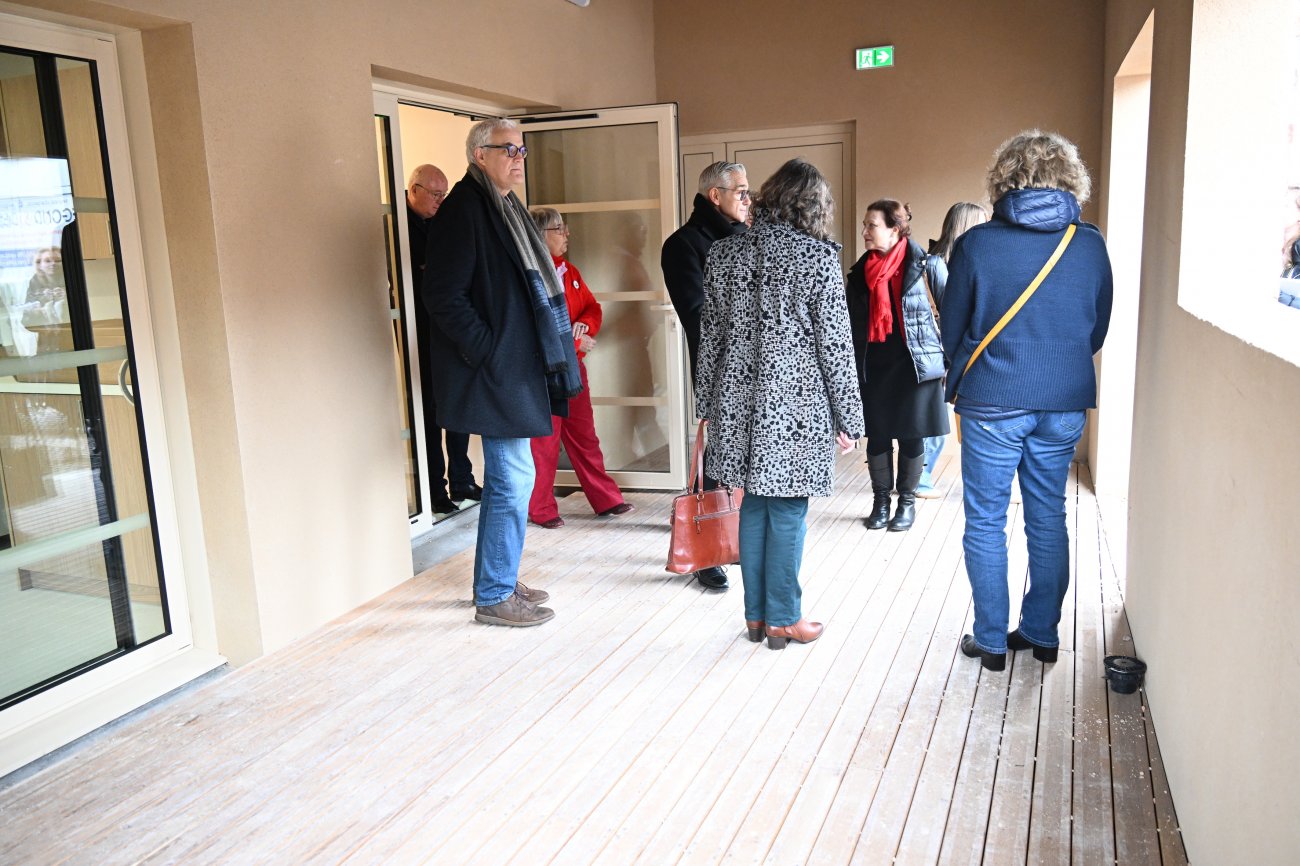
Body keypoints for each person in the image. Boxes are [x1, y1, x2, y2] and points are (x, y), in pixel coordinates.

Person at [941, 129, 1113, 670]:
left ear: (1004, 178)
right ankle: (1041, 634)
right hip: (1062, 401)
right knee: (1047, 517)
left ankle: (991, 641)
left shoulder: (977, 245)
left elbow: (953, 329)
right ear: (1070, 178)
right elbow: (1096, 328)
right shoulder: (1089, 244)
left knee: (986, 521)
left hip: (992, 400)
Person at [696, 158, 863, 650]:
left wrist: (705, 403)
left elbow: (710, 338)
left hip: (736, 401)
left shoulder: (723, 254)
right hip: (796, 406)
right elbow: (836, 345)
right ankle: (784, 618)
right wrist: (850, 417)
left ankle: (756, 616)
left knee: (752, 505)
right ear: (813, 206)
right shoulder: (817, 257)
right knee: (787, 510)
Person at [424, 119, 583, 627]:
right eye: (508, 149)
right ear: (479, 154)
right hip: (496, 370)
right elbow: (443, 297)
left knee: (509, 480)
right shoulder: (464, 210)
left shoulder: (503, 206)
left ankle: (499, 578)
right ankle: (494, 593)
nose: (518, 158)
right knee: (513, 480)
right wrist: (490, 351)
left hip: (513, 367)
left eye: (521, 150)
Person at [661, 161, 750, 591]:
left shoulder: (748, 238)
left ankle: (739, 538)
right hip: (718, 369)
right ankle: (705, 549)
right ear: (716, 196)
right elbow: (697, 316)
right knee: (714, 457)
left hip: (759, 367)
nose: (748, 200)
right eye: (741, 192)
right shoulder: (683, 245)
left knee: (749, 456)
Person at [526, 206, 634, 528]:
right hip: (545, 373)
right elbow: (535, 330)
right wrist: (575, 344)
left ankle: (606, 499)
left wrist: (585, 326)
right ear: (540, 235)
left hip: (573, 370)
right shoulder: (530, 277)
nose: (566, 234)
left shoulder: (569, 272)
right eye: (559, 228)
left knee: (585, 436)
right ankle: (541, 509)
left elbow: (592, 307)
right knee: (544, 444)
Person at [846, 200, 949, 532]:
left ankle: (906, 503)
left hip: (915, 366)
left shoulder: (926, 265)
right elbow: (849, 326)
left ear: (895, 229)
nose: (864, 231)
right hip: (874, 365)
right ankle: (880, 502)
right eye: (865, 224)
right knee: (877, 436)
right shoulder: (859, 273)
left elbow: (951, 313)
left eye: (871, 225)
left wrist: (947, 362)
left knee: (911, 435)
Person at [405, 164, 480, 514]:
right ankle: (435, 489)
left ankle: (462, 478)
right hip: (417, 332)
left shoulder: (443, 224)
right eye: (435, 194)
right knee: (430, 411)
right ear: (413, 190)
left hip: (448, 330)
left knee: (456, 403)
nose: (440, 200)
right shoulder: (397, 226)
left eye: (443, 194)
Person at [916, 203, 989, 498]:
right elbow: (950, 314)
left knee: (946, 417)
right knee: (937, 419)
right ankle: (919, 478)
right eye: (982, 222)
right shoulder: (937, 265)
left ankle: (919, 477)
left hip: (954, 352)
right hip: (942, 353)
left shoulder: (953, 263)